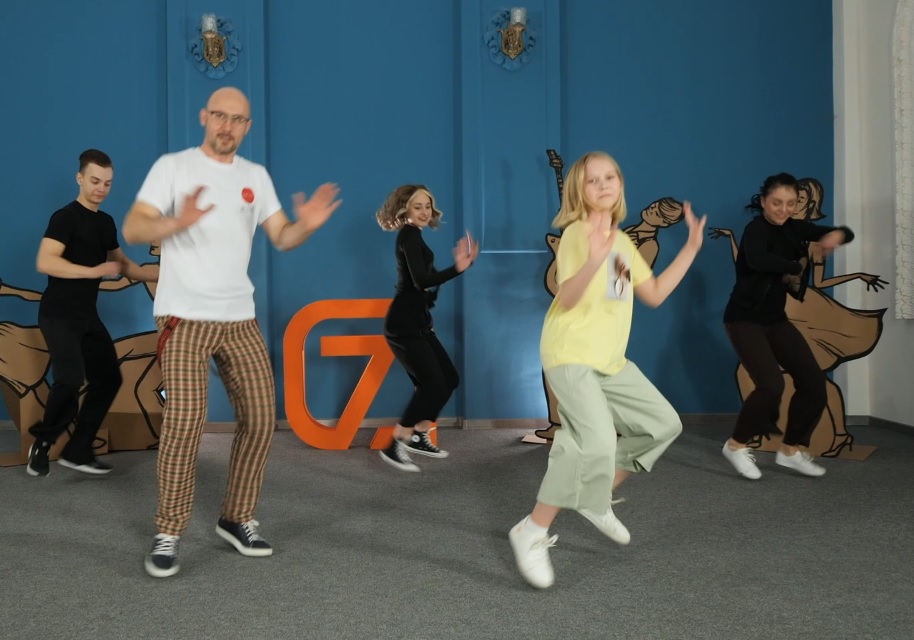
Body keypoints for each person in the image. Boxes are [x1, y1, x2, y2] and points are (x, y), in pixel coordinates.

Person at [122, 87, 341, 578]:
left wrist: (307, 224)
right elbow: (133, 228)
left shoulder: (255, 176)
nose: (227, 126)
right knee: (186, 422)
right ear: (204, 116)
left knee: (261, 419)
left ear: (247, 126)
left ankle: (236, 517)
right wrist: (175, 222)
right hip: (184, 316)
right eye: (220, 116)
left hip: (239, 317)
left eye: (237, 119)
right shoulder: (173, 167)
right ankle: (169, 530)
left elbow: (282, 236)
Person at [508, 151, 705, 589]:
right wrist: (594, 258)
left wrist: (691, 249)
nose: (603, 185)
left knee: (662, 425)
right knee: (592, 439)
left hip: (609, 360)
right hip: (570, 353)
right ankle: (531, 529)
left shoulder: (623, 242)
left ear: (620, 184)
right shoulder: (577, 233)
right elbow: (568, 296)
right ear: (579, 190)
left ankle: (595, 496)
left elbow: (653, 293)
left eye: (610, 177)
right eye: (592, 180)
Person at [26, 149, 155, 478]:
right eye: (95, 181)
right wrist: (94, 270)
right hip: (58, 314)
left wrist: (165, 274)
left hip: (86, 316)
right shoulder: (65, 217)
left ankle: (78, 450)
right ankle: (43, 443)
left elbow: (124, 265)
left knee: (109, 379)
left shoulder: (105, 222)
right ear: (80, 178)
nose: (101, 188)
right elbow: (46, 261)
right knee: (69, 379)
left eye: (108, 183)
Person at [719, 172, 853, 480]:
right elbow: (758, 260)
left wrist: (837, 235)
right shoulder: (755, 229)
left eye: (790, 204)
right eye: (777, 203)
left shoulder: (796, 228)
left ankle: (790, 450)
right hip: (743, 319)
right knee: (771, 385)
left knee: (814, 383)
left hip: (775, 320)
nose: (783, 209)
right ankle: (735, 445)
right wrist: (796, 266)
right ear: (764, 201)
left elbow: (841, 232)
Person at [374, 185, 478, 472]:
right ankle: (396, 442)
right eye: (417, 206)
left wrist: (427, 305)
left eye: (427, 206)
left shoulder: (415, 237)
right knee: (432, 384)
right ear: (405, 209)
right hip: (403, 325)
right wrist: (457, 269)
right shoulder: (408, 235)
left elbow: (420, 285)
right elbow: (421, 280)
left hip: (417, 322)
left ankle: (419, 434)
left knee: (449, 378)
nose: (424, 212)